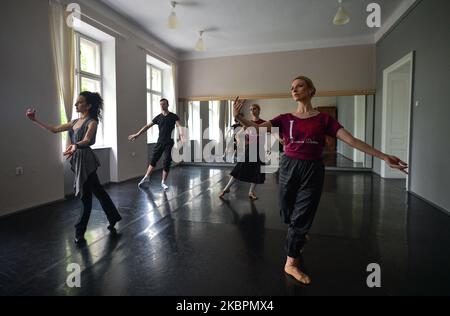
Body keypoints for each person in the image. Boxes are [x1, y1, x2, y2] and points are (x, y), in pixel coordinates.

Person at [232, 76, 408, 285]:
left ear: (311, 90)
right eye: (292, 87)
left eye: (299, 86)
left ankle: (291, 262)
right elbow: (258, 128)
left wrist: (384, 156)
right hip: (289, 167)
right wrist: (239, 118)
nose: (294, 89)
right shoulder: (285, 118)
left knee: (302, 215)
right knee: (286, 213)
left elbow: (351, 140)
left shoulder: (324, 119)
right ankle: (298, 232)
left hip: (312, 169)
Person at [26, 92, 122, 244]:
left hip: (86, 161)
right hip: (79, 159)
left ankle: (80, 230)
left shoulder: (92, 122)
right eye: (76, 102)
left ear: (88, 105)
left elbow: (88, 140)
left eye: (79, 102)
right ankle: (114, 217)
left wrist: (75, 145)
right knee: (99, 191)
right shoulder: (75, 121)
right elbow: (54, 129)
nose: (76, 105)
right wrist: (34, 120)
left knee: (86, 197)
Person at [128, 99, 184, 191]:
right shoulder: (158, 117)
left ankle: (163, 182)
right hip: (160, 142)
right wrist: (137, 134)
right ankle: (146, 177)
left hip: (168, 143)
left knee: (166, 161)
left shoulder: (173, 116)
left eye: (164, 104)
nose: (162, 106)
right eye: (161, 104)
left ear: (168, 105)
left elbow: (179, 126)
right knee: (154, 159)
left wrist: (182, 135)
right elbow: (147, 126)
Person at [220, 104, 266, 200]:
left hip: (260, 149)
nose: (252, 111)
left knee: (257, 171)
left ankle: (251, 192)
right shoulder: (248, 123)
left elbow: (270, 134)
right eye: (251, 109)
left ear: (259, 110)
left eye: (254, 109)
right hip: (250, 148)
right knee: (239, 168)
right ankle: (226, 188)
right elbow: (238, 135)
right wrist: (243, 141)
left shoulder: (264, 123)